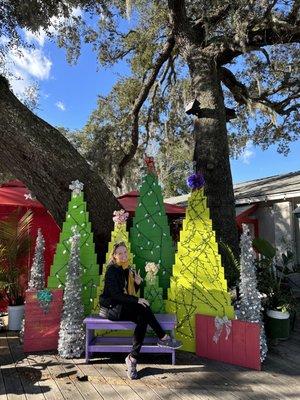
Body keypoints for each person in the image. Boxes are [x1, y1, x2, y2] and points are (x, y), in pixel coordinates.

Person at [99, 242, 182, 379]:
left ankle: (132, 358)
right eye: (120, 253)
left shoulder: (126, 269)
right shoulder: (112, 270)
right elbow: (116, 295)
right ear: (114, 256)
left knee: (143, 316)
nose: (124, 255)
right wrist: (137, 300)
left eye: (125, 252)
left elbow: (129, 292)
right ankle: (163, 337)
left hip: (122, 306)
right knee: (143, 307)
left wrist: (137, 283)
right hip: (112, 309)